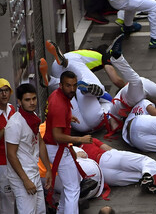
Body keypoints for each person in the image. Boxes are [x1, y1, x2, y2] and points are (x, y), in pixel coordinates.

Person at [44, 71, 94, 214]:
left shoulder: (57, 95)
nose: (72, 89)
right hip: (57, 147)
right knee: (73, 188)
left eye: (74, 85)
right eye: (68, 85)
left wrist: (67, 118)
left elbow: (55, 119)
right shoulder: (59, 104)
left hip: (55, 147)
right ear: (60, 85)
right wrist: (80, 139)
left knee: (70, 186)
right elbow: (57, 136)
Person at [4, 84, 52, 214]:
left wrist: (48, 169)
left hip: (34, 172)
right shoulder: (15, 124)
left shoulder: (33, 116)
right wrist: (25, 180)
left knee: (41, 211)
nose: (32, 102)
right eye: (27, 100)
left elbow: (40, 143)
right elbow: (11, 155)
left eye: (34, 99)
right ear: (19, 102)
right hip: (22, 178)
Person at [80, 138, 156, 193]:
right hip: (107, 158)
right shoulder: (86, 140)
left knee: (139, 177)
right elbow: (108, 148)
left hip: (105, 176)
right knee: (147, 161)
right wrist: (121, 156)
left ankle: (152, 184)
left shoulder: (69, 154)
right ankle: (149, 177)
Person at [0, 78, 16, 212]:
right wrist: (6, 129)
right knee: (6, 195)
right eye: (0, 91)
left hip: (14, 160)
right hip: (2, 163)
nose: (4, 94)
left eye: (6, 91)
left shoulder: (11, 109)